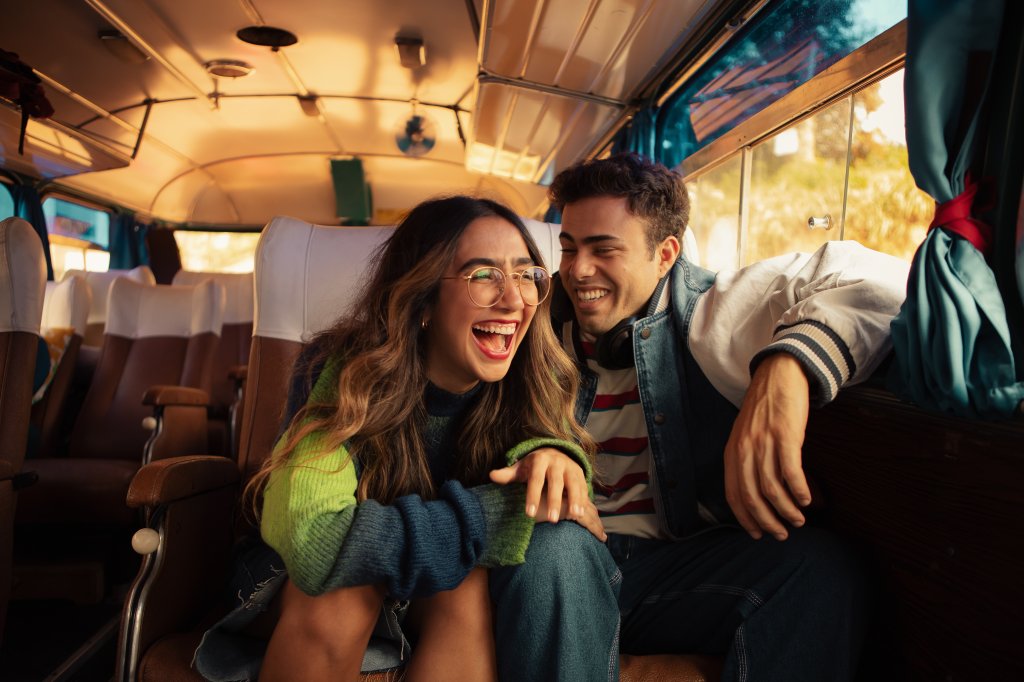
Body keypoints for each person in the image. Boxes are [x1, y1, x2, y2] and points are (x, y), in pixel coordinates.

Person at [490, 152, 910, 681]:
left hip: (680, 566)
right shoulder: (528, 321)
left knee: (821, 569)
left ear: (665, 254)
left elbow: (888, 281)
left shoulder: (719, 310)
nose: (576, 271)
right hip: (565, 561)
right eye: (569, 248)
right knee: (548, 542)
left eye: (604, 250)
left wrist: (785, 369)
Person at [193, 195, 615, 682]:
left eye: (526, 275)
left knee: (465, 587)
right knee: (348, 592)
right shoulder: (342, 373)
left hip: (428, 591)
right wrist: (494, 514)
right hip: (298, 583)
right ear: (422, 300)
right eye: (483, 275)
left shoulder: (535, 373)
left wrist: (556, 458)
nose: (515, 299)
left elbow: (558, 455)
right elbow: (314, 545)